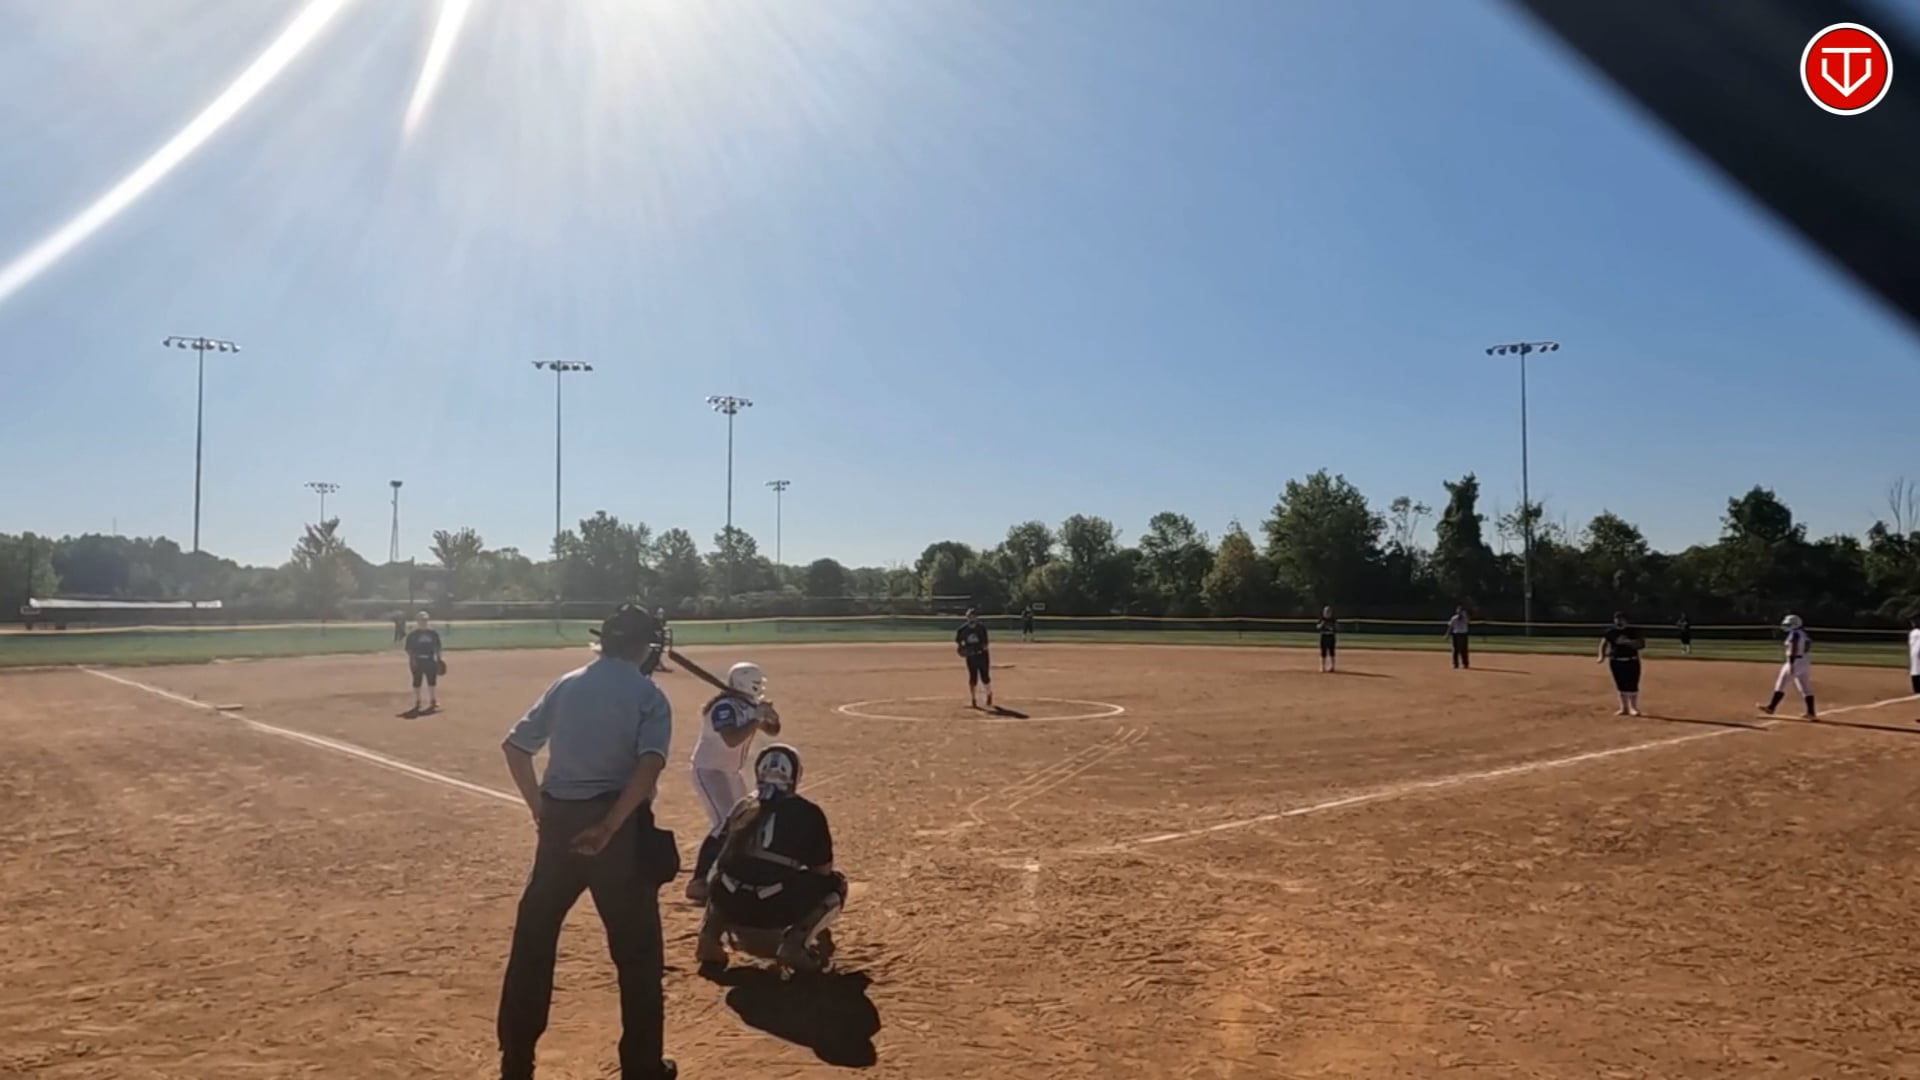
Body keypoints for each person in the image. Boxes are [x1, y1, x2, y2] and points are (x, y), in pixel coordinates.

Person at [496, 603, 679, 1080]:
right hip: (618, 832)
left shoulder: (568, 683)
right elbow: (649, 765)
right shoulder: (649, 695)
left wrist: (539, 809)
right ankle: (641, 1067)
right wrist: (610, 825)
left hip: (558, 824)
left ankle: (516, 1063)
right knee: (637, 954)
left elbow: (515, 747)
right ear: (646, 647)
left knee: (533, 942)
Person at [695, 743, 847, 975]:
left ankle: (709, 938)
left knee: (722, 873)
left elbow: (717, 849)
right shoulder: (808, 813)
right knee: (836, 884)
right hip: (774, 908)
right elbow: (822, 870)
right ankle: (796, 944)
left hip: (731, 903)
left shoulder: (742, 806)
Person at [685, 662, 782, 904]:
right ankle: (698, 881)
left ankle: (730, 874)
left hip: (730, 772)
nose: (760, 687)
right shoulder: (724, 707)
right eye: (757, 683)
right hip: (709, 771)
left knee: (745, 820)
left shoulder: (747, 705)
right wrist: (756, 718)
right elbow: (731, 739)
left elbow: (773, 730)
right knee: (725, 822)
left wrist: (769, 716)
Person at [1758, 613, 1816, 720]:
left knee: (1781, 684)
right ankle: (1811, 712)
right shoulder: (1803, 633)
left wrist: (1792, 663)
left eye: (1789, 624)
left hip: (1794, 661)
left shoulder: (1794, 634)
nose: (1786, 626)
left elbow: (1793, 648)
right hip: (1803, 661)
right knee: (1805, 687)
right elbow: (1807, 646)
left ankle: (1771, 707)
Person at [1599, 612, 1645, 716]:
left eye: (1621, 619)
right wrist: (1601, 656)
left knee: (1632, 683)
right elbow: (1603, 643)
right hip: (1616, 661)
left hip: (1631, 660)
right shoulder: (1611, 631)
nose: (1619, 621)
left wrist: (1627, 642)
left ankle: (1633, 708)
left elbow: (1641, 645)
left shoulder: (1633, 631)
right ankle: (1623, 708)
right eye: (1617, 619)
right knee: (1620, 684)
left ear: (1626, 620)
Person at [404, 612, 444, 713]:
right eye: (421, 620)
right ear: (417, 621)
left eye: (425, 620)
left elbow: (437, 647)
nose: (423, 622)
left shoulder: (433, 633)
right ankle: (418, 701)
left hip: (430, 659)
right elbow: (409, 649)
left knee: (432, 680)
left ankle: (433, 700)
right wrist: (412, 659)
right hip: (417, 659)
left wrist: (439, 658)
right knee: (417, 681)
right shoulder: (413, 635)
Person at [957, 609, 993, 708]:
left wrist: (975, 650)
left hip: (982, 656)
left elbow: (985, 645)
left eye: (973, 616)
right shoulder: (962, 630)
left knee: (985, 678)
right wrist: (962, 650)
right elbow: (960, 644)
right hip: (971, 658)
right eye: (969, 617)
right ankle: (973, 699)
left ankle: (989, 694)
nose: (971, 619)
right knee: (973, 678)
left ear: (976, 617)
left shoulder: (981, 629)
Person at [1316, 605, 1338, 673]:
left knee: (1332, 652)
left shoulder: (1333, 620)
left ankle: (1332, 667)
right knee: (1323, 652)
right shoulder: (1322, 619)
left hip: (1331, 636)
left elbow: (1336, 628)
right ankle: (1322, 667)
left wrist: (1333, 628)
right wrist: (1321, 624)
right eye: (1326, 611)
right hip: (1324, 636)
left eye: (1328, 611)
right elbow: (1317, 627)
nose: (1327, 613)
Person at [1906, 615, 1919, 697]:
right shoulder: (1915, 632)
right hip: (1916, 653)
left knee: (1915, 670)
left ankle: (1916, 688)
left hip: (1914, 653)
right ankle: (1917, 688)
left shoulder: (1913, 632)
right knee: (1916, 670)